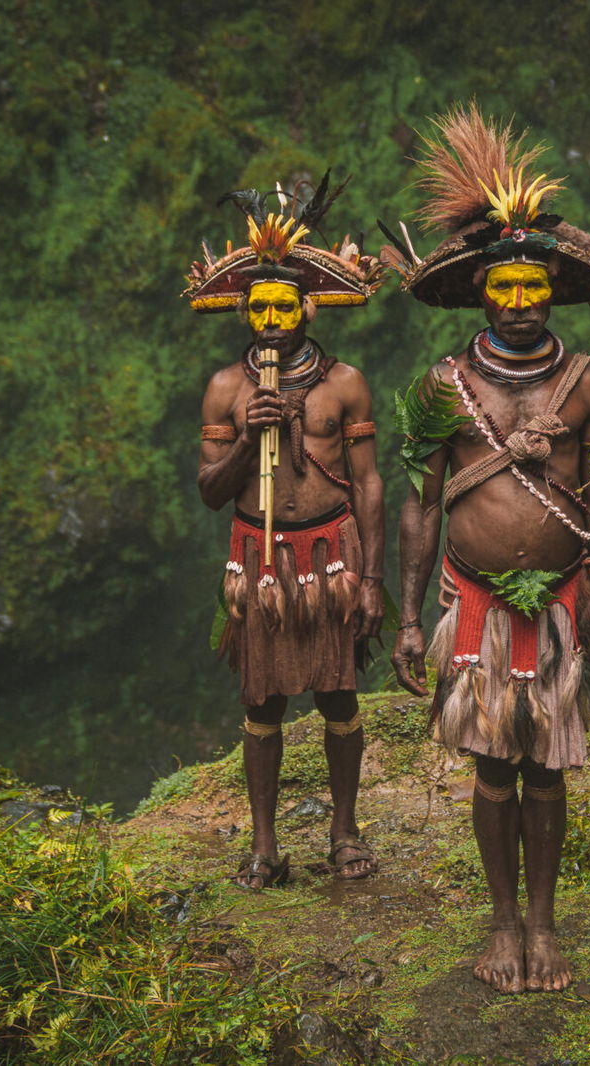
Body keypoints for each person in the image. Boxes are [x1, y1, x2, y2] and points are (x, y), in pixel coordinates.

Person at [385, 105, 590, 993]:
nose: (522, 302)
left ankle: (543, 926)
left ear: (553, 292)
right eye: (507, 287)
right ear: (483, 291)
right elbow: (418, 508)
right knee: (494, 763)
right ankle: (499, 924)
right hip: (476, 603)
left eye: (536, 287)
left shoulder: (589, 383)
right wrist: (409, 618)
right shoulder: (438, 388)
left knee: (551, 766)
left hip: (564, 601)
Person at [184, 177, 386, 888]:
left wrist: (374, 581)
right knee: (262, 700)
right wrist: (250, 440)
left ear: (307, 305)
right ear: (244, 310)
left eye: (284, 305)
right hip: (258, 559)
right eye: (259, 306)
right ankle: (266, 846)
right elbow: (211, 491)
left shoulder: (344, 383)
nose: (272, 318)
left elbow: (368, 483)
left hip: (332, 555)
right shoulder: (225, 390)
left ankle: (345, 832)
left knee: (337, 694)